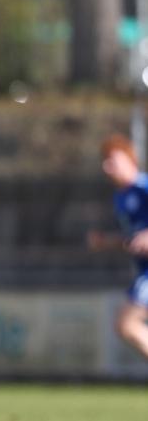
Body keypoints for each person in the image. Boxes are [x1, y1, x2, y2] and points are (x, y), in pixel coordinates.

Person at [89, 133, 148, 357]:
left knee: (127, 324)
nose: (107, 167)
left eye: (112, 160)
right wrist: (107, 241)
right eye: (105, 161)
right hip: (143, 270)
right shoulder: (120, 198)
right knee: (125, 326)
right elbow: (134, 239)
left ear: (129, 158)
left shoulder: (144, 187)